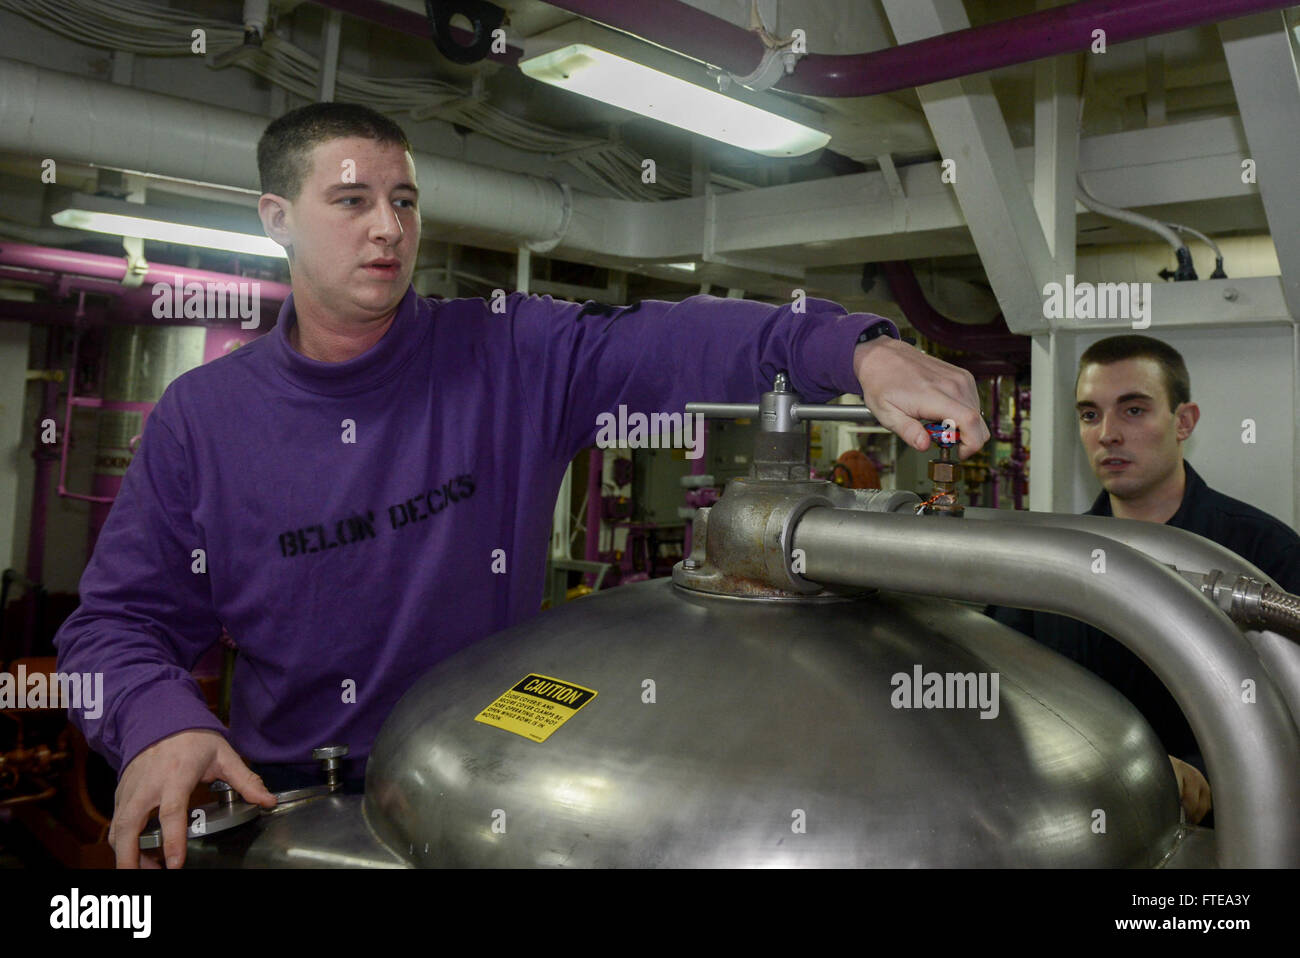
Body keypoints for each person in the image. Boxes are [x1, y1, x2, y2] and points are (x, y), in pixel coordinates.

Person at [51, 102, 989, 868]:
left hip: (493, 802)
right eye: (352, 201)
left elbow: (674, 340)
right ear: (276, 217)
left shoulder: (509, 352)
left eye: (405, 200)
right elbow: (112, 627)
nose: (389, 227)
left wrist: (852, 348)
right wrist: (156, 723)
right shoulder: (203, 418)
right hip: (298, 809)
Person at [988, 334, 1300, 827]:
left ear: (1184, 422)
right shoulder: (1046, 562)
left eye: (1133, 410)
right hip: (1074, 833)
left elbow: (1291, 709)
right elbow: (1006, 698)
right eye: (1090, 415)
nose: (1108, 433)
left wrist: (1204, 776)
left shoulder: (1264, 554)